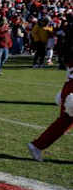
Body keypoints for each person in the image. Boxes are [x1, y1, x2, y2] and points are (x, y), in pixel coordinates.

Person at [28, 20, 73, 161]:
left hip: (69, 83)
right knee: (64, 122)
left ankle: (38, 145)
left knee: (64, 122)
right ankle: (37, 145)